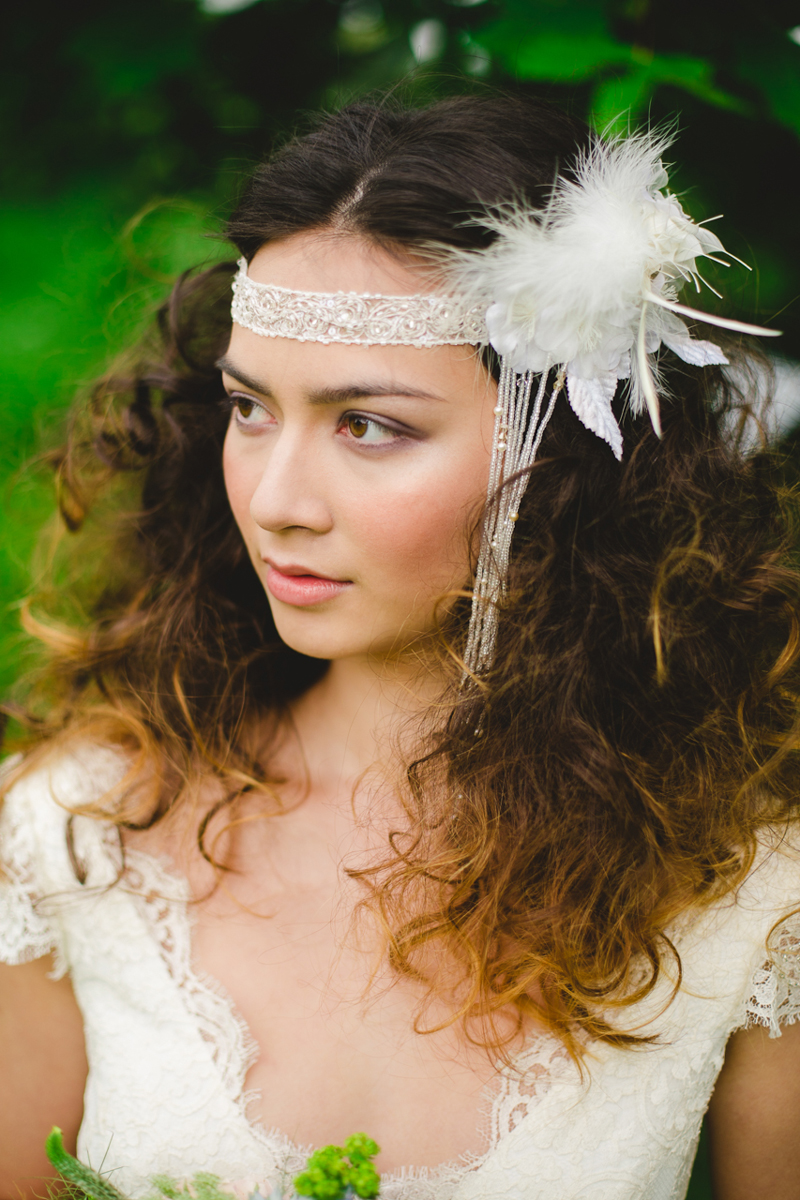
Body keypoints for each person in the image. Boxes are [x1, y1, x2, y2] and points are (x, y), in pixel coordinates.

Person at [2, 92, 800, 1200]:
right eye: (248, 408)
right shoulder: (79, 829)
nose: (275, 500)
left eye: (368, 426)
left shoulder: (750, 894)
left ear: (560, 458)